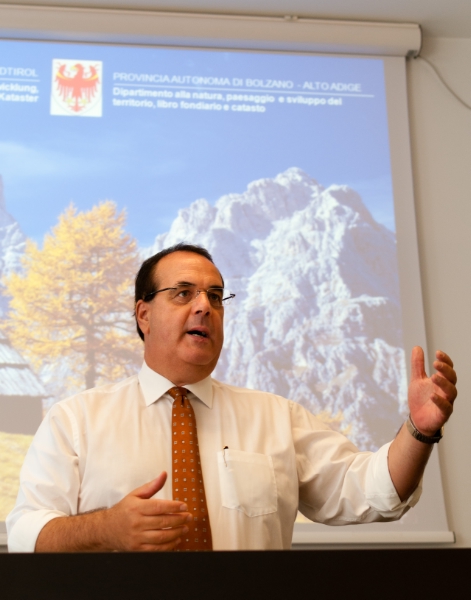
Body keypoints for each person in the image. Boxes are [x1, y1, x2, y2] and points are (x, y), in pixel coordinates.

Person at [6, 244, 458, 552]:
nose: (204, 306)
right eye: (183, 293)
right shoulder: (76, 420)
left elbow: (371, 491)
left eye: (216, 296)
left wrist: (418, 431)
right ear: (143, 315)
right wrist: (105, 529)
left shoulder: (276, 417)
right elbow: (25, 531)